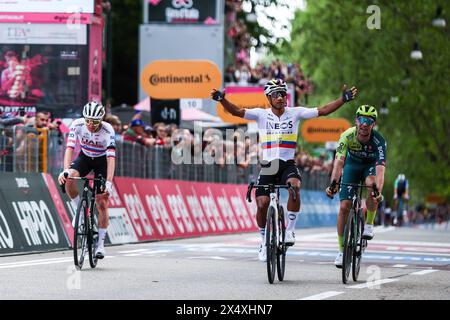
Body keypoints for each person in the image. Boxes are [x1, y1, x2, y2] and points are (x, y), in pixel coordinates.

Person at [211, 78, 358, 262]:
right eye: (276, 94)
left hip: (287, 163)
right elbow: (237, 111)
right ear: (269, 98)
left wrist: (342, 100)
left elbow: (323, 110)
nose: (281, 97)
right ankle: (264, 240)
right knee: (262, 203)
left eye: (283, 94)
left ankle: (290, 231)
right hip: (268, 165)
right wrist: (222, 100)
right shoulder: (260, 114)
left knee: (295, 186)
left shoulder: (295, 113)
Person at [325, 105, 386, 268]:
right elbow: (338, 162)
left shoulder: (379, 141)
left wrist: (378, 192)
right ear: (356, 121)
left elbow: (381, 170)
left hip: (370, 167)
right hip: (352, 166)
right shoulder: (347, 136)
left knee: (371, 185)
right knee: (344, 207)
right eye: (361, 119)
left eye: (368, 121)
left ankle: (369, 224)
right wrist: (333, 184)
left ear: (373, 124)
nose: (364, 124)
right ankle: (340, 250)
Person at [57, 101, 116, 259]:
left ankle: (101, 245)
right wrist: (66, 170)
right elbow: (69, 148)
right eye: (88, 121)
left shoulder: (107, 130)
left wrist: (108, 182)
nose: (90, 124)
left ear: (101, 120)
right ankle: (80, 211)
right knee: (69, 179)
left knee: (102, 201)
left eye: (95, 122)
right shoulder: (77, 125)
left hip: (102, 161)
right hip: (84, 157)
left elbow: (111, 159)